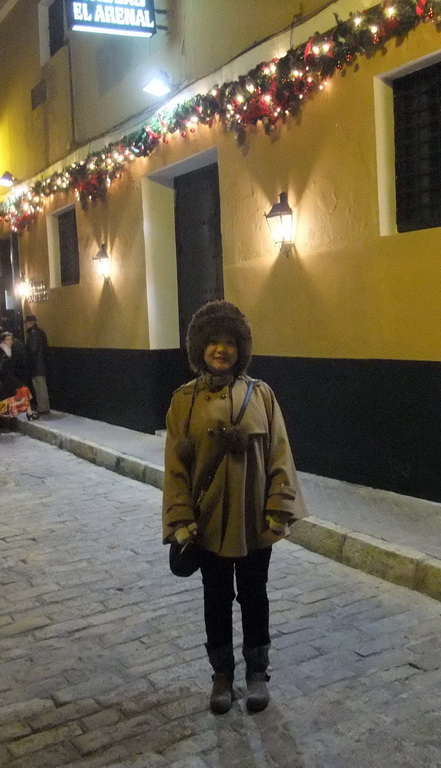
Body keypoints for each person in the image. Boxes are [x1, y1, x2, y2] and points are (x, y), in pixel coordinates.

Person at [162, 300, 307, 715]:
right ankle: (221, 676)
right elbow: (175, 467)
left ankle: (257, 674)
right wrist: (181, 519)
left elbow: (280, 452)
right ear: (200, 348)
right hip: (206, 525)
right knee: (216, 597)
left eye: (229, 342)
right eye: (213, 342)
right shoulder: (182, 402)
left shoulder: (261, 395)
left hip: (253, 520)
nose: (221, 350)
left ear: (240, 348)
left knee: (255, 595)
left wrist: (279, 505)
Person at [0, 331, 37, 434]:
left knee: (23, 391)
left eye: (11, 339)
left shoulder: (11, 351)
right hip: (2, 383)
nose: (10, 341)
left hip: (10, 381)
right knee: (0, 405)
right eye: (7, 339)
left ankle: (29, 413)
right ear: (3, 340)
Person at [24, 314, 50, 414]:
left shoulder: (33, 334)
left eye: (26, 323)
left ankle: (43, 408)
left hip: (36, 365)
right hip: (41, 363)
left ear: (29, 323)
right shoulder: (40, 332)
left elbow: (33, 350)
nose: (25, 325)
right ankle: (44, 407)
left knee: (39, 386)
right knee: (41, 386)